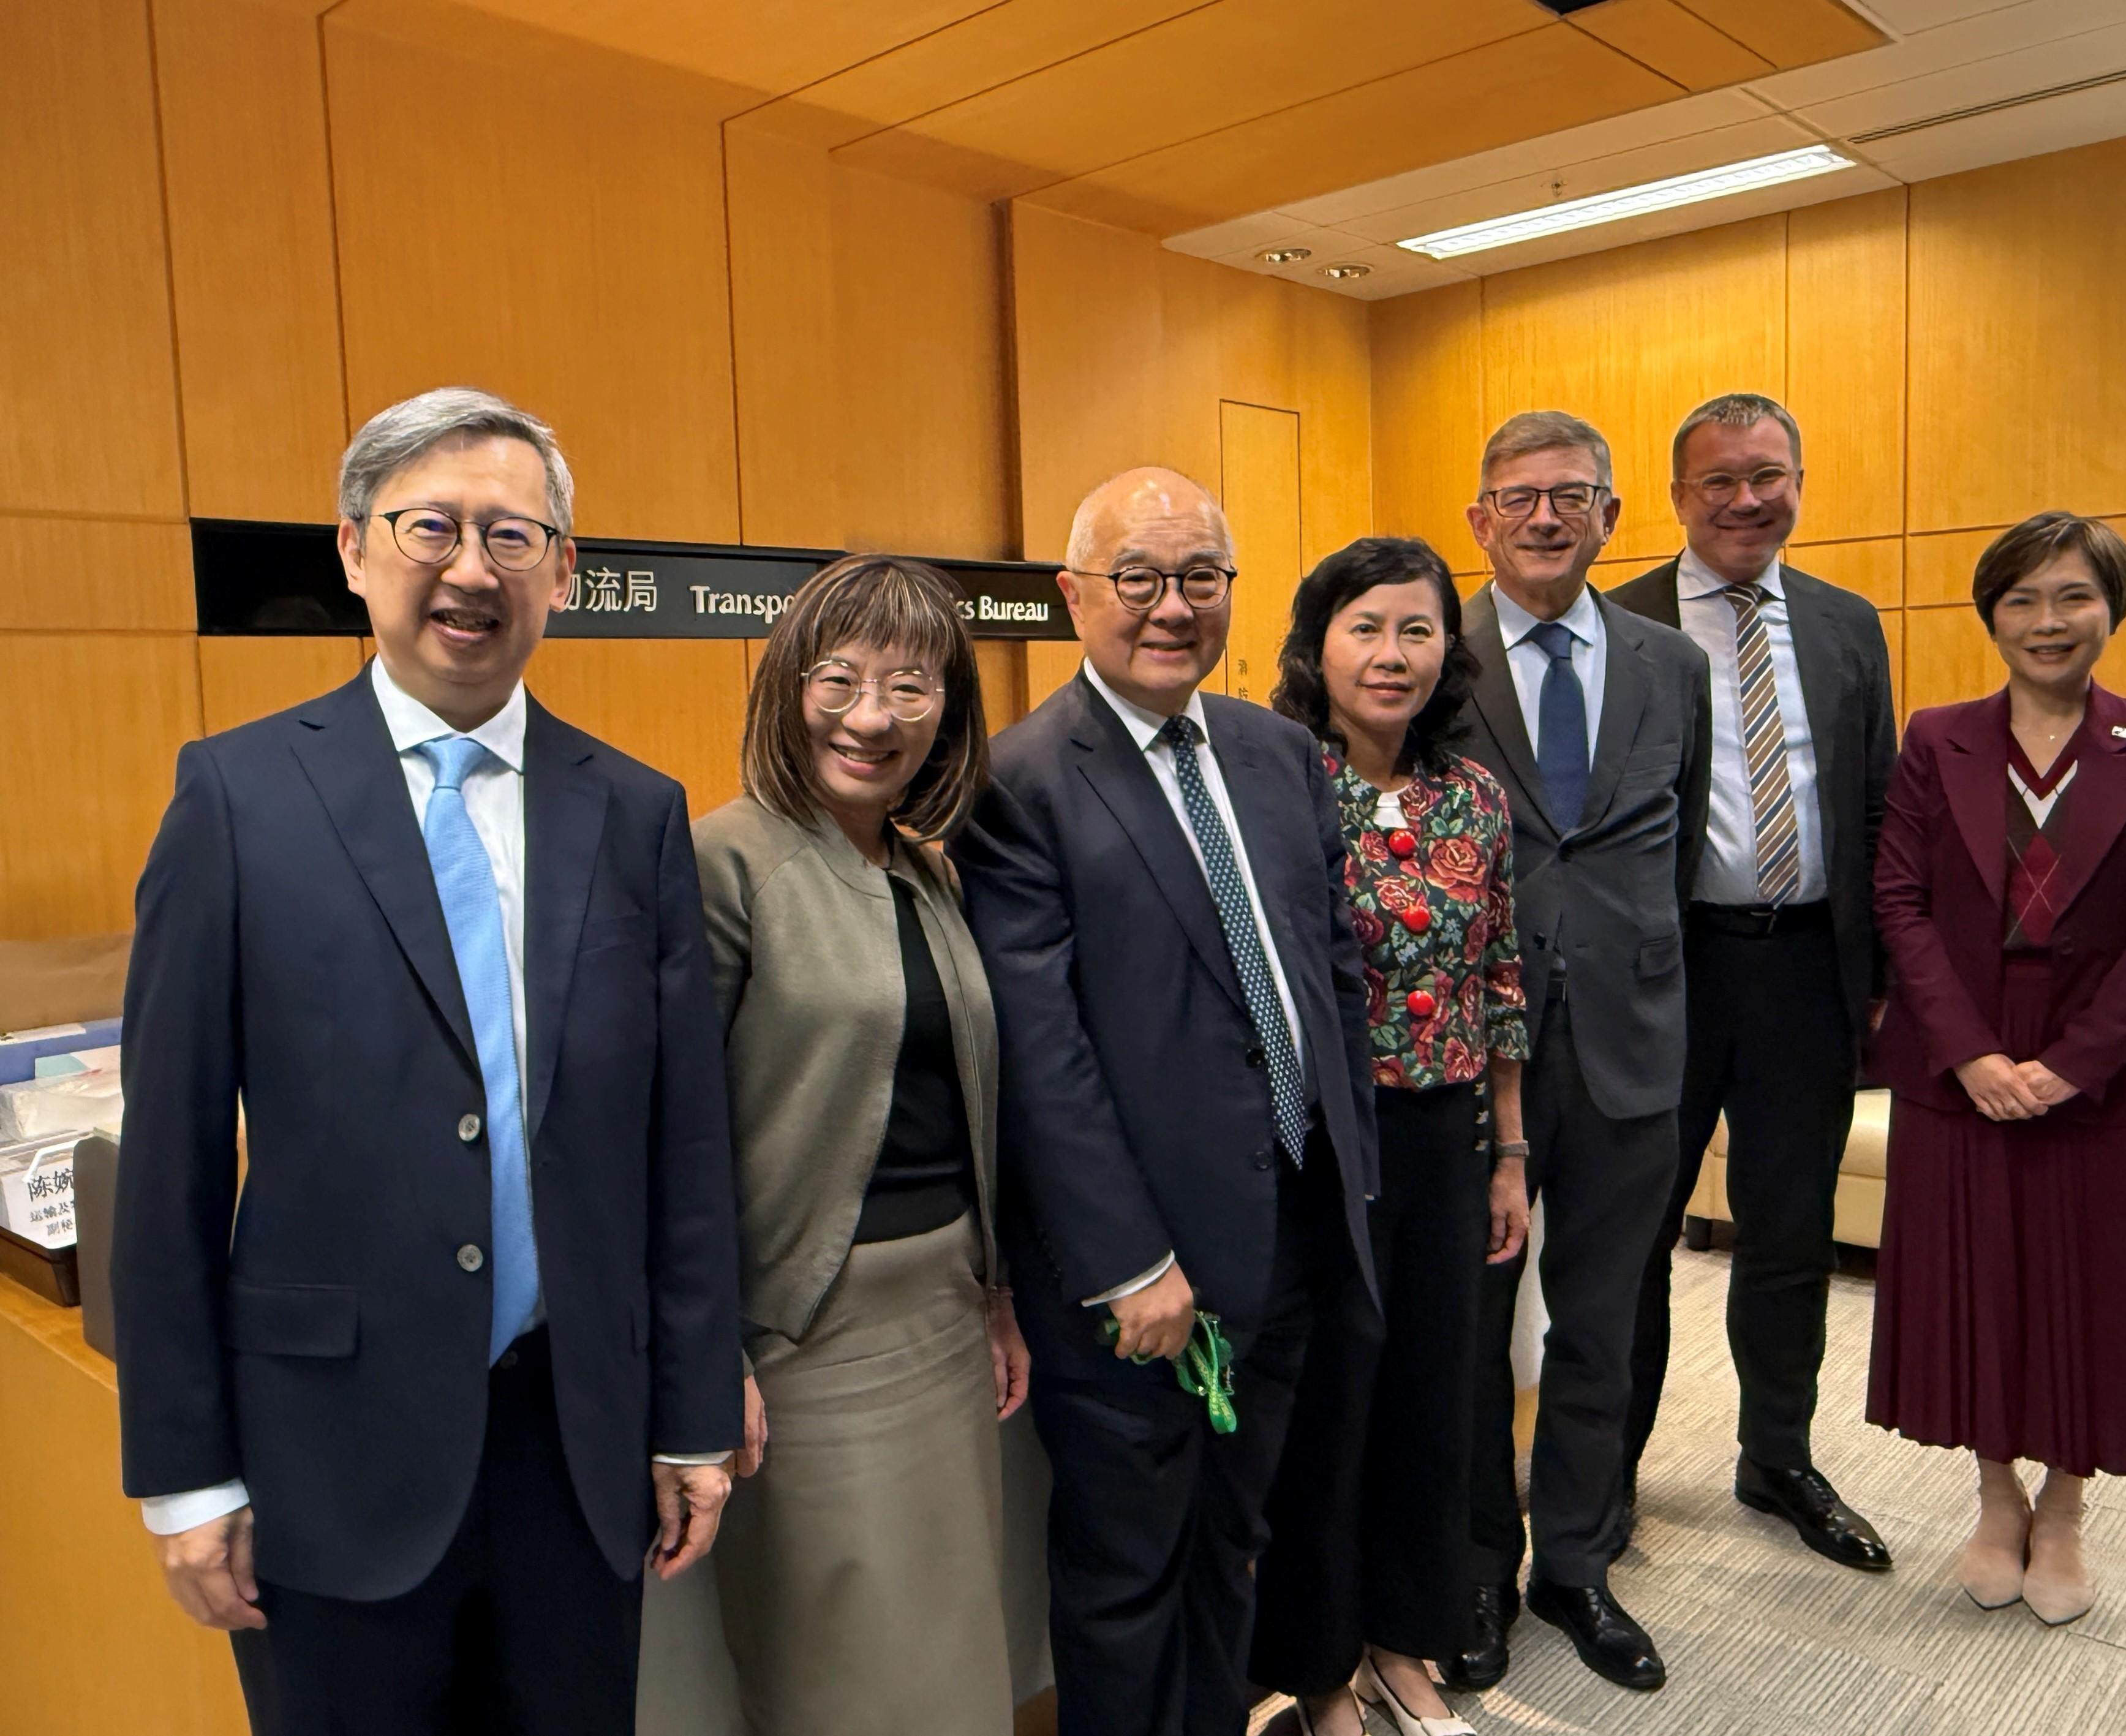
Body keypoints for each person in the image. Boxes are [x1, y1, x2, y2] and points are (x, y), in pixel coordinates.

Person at [113, 387, 742, 1735]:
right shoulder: (236, 799)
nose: (471, 568)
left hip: (572, 1450)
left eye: (514, 536)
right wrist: (185, 1476)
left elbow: (682, 1148)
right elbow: (165, 1162)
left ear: (564, 575)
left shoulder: (634, 812)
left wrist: (690, 1412)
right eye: (432, 527)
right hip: (324, 1457)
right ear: (354, 550)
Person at [950, 467, 1379, 1736]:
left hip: (1293, 1236)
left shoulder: (1276, 751)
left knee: (1233, 1546)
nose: (1170, 606)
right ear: (1076, 595)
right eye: (1137, 578)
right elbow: (1045, 1053)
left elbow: (1330, 968)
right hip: (1142, 1281)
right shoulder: (1020, 782)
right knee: (1126, 1577)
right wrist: (1130, 1261)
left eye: (1200, 578)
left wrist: (1351, 1170)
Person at [692, 554, 1028, 1735]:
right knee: (840, 1664)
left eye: (912, 685)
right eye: (839, 678)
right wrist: (706, 1346)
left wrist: (992, 1293)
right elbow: (675, 1134)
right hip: (801, 1340)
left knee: (952, 1649)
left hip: (943, 1313)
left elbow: (955, 1101)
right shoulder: (724, 860)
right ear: (788, 685)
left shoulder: (926, 868)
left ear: (950, 710)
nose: (872, 716)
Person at [1868, 511, 2126, 1626]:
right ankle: (1996, 1494)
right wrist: (1970, 1050)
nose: (2047, 622)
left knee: (2092, 1297)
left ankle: (2064, 1508)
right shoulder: (1940, 736)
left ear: (2112, 607)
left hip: (2097, 1068)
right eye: (2022, 599)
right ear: (1992, 615)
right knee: (1981, 1291)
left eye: (2072, 597)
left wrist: (2069, 1066)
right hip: (1960, 1056)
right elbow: (1901, 900)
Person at [1443, 412, 1711, 1696]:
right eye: (1518, 497)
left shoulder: (1674, 665)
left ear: (1612, 516)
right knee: (1475, 1329)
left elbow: (1675, 842)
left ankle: (1578, 1566)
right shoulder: (1430, 654)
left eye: (1571, 496)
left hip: (1633, 1037)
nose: (1545, 517)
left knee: (1604, 1322)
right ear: (1478, 520)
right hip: (1472, 1051)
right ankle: (1481, 1569)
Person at [1609, 393, 1897, 1572]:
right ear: (1678, 497)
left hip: (1805, 974)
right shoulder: (1615, 619)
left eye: (1767, 474)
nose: (1745, 499)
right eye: (1719, 479)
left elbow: (1881, 805)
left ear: (1799, 480)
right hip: (1662, 977)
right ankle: (1603, 1468)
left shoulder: (1845, 625)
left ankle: (1776, 1454)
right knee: (1633, 1239)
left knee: (1789, 1234)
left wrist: (1876, 977)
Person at [1248, 537, 1532, 1736]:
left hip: (1447, 1142)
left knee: (1437, 1398)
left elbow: (1501, 979)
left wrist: (1510, 1150)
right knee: (1334, 1408)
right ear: (1319, 644)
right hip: (1323, 1144)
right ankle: (1319, 1673)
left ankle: (1405, 1644)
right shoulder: (1275, 782)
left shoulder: (1474, 794)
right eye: (1366, 627)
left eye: (1417, 630)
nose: (1392, 654)